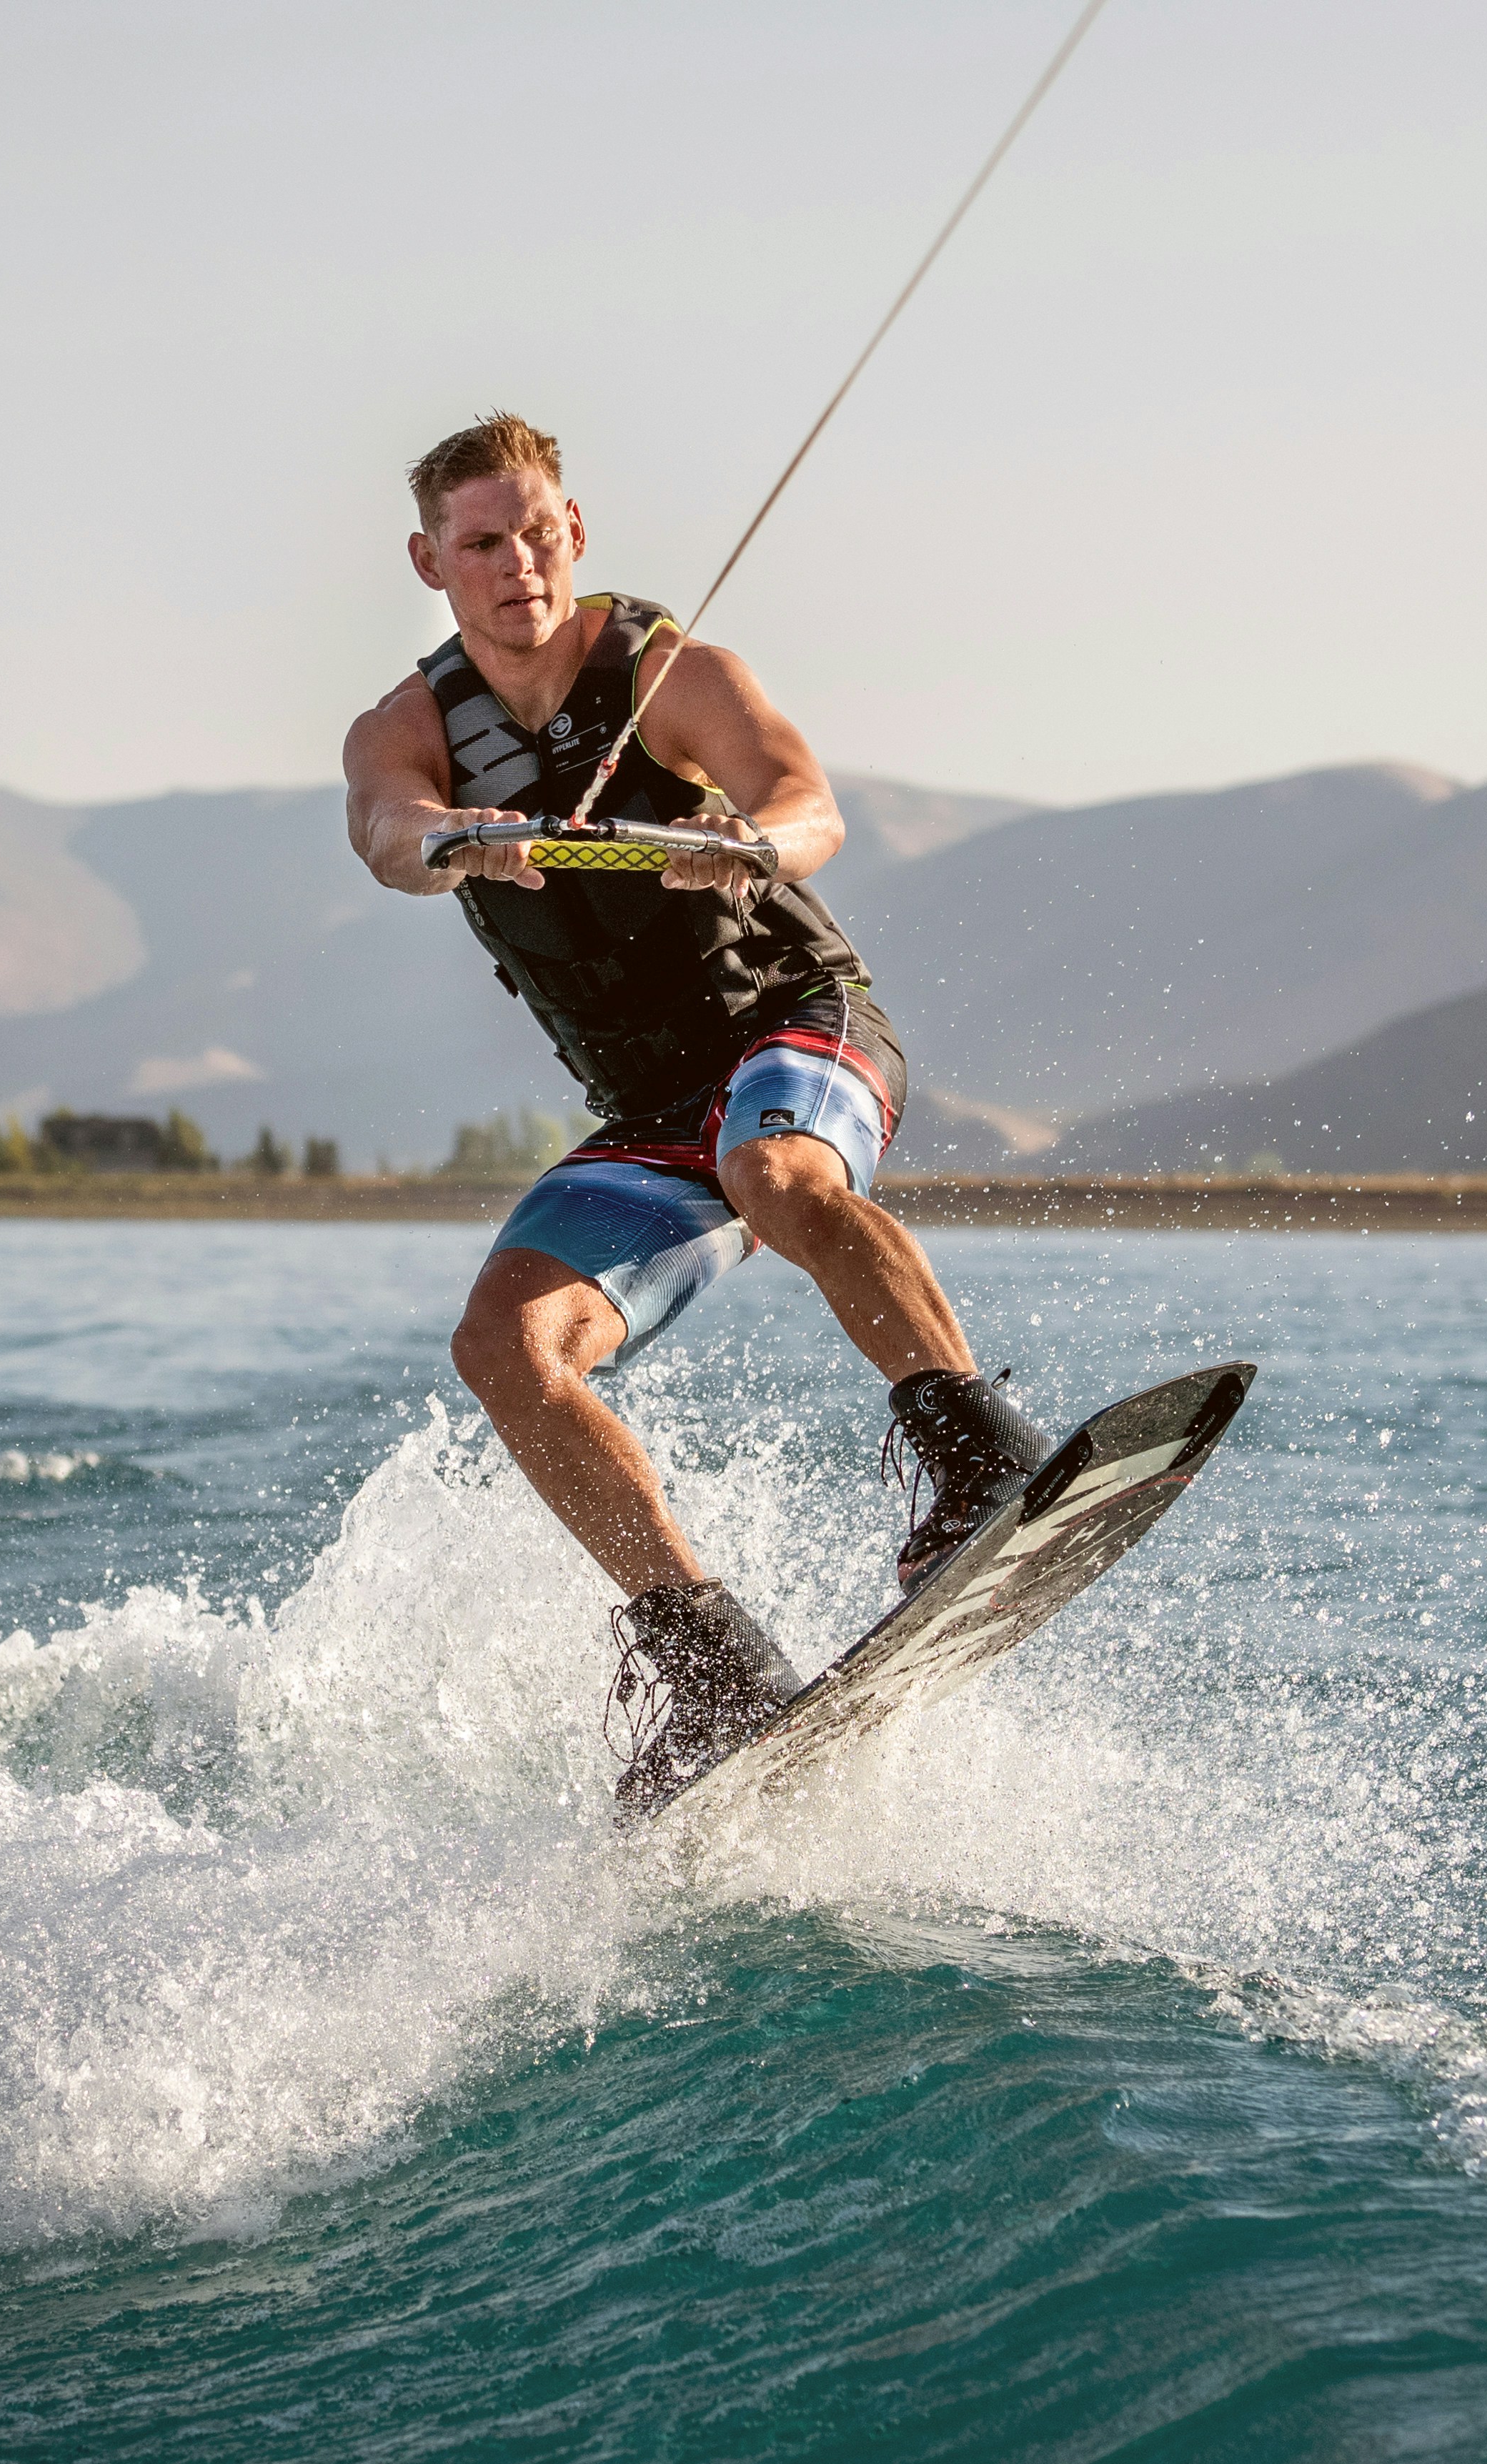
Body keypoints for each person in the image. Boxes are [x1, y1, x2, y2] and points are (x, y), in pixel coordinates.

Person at [340, 411, 1056, 1817]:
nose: (516, 564)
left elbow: (807, 801)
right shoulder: (408, 730)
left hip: (801, 1025)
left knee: (777, 1170)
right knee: (505, 1344)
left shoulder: (667, 674)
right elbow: (386, 828)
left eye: (535, 534)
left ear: (574, 532)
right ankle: (711, 1656)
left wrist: (751, 843)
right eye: (481, 544)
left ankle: (981, 1451)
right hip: (655, 1108)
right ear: (431, 562)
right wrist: (453, 841)